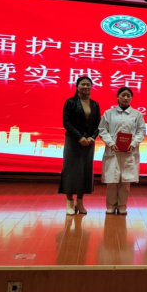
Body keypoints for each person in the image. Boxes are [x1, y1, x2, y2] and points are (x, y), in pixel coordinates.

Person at [98, 87, 146, 216]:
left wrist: (133, 143)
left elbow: (141, 131)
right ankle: (110, 205)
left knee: (125, 181)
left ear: (131, 98)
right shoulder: (109, 113)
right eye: (123, 95)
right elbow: (102, 130)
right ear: (117, 97)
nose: (125, 98)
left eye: (128, 96)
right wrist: (111, 143)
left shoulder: (137, 114)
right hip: (113, 150)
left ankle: (122, 206)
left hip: (129, 151)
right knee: (112, 181)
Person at [58, 76, 101, 216]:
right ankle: (70, 202)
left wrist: (92, 137)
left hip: (88, 142)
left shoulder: (95, 104)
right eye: (83, 84)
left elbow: (98, 124)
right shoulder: (70, 102)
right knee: (71, 171)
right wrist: (79, 137)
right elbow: (67, 122)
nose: (86, 87)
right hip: (73, 141)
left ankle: (80, 202)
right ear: (77, 86)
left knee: (84, 171)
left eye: (88, 84)